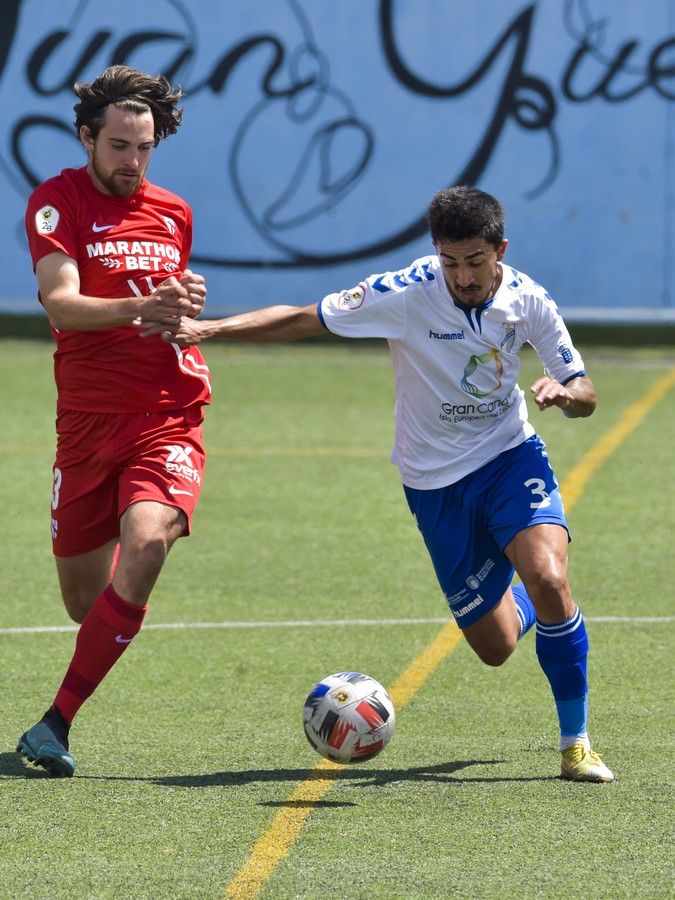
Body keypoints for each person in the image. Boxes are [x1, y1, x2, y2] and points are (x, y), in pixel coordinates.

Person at [147, 185, 614, 782]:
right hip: (433, 483)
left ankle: (575, 744)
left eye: (474, 260)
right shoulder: (406, 292)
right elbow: (302, 318)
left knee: (550, 575)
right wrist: (211, 330)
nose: (462, 275)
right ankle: (528, 596)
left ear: (500, 249)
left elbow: (587, 393)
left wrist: (563, 392)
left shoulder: (529, 302)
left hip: (509, 456)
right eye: (449, 260)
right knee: (496, 646)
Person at [17, 65, 212, 777]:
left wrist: (181, 306)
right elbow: (61, 305)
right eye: (121, 147)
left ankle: (54, 724)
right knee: (82, 601)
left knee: (148, 541)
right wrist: (145, 306)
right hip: (88, 425)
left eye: (145, 148)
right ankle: (108, 630)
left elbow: (167, 307)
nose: (133, 162)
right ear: (87, 139)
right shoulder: (55, 202)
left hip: (168, 414)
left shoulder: (174, 211)